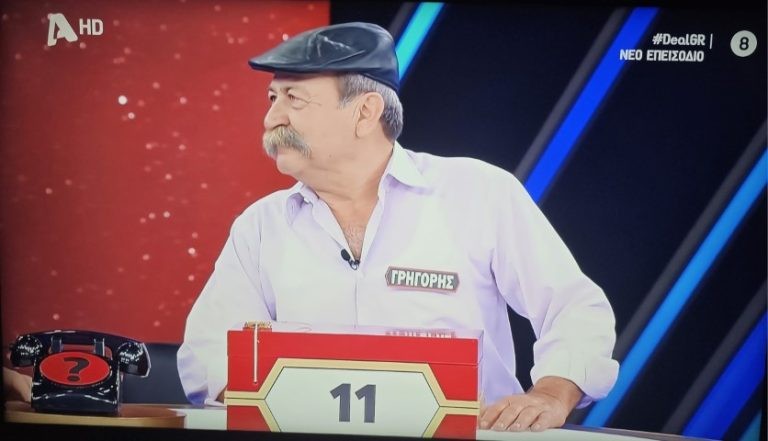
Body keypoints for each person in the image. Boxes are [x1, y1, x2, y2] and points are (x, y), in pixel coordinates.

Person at [177, 22, 619, 432]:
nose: (272, 119)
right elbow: (208, 352)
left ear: (365, 112)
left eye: (294, 99)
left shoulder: (478, 193)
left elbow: (575, 308)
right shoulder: (262, 225)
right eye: (273, 99)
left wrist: (552, 393)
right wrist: (279, 404)